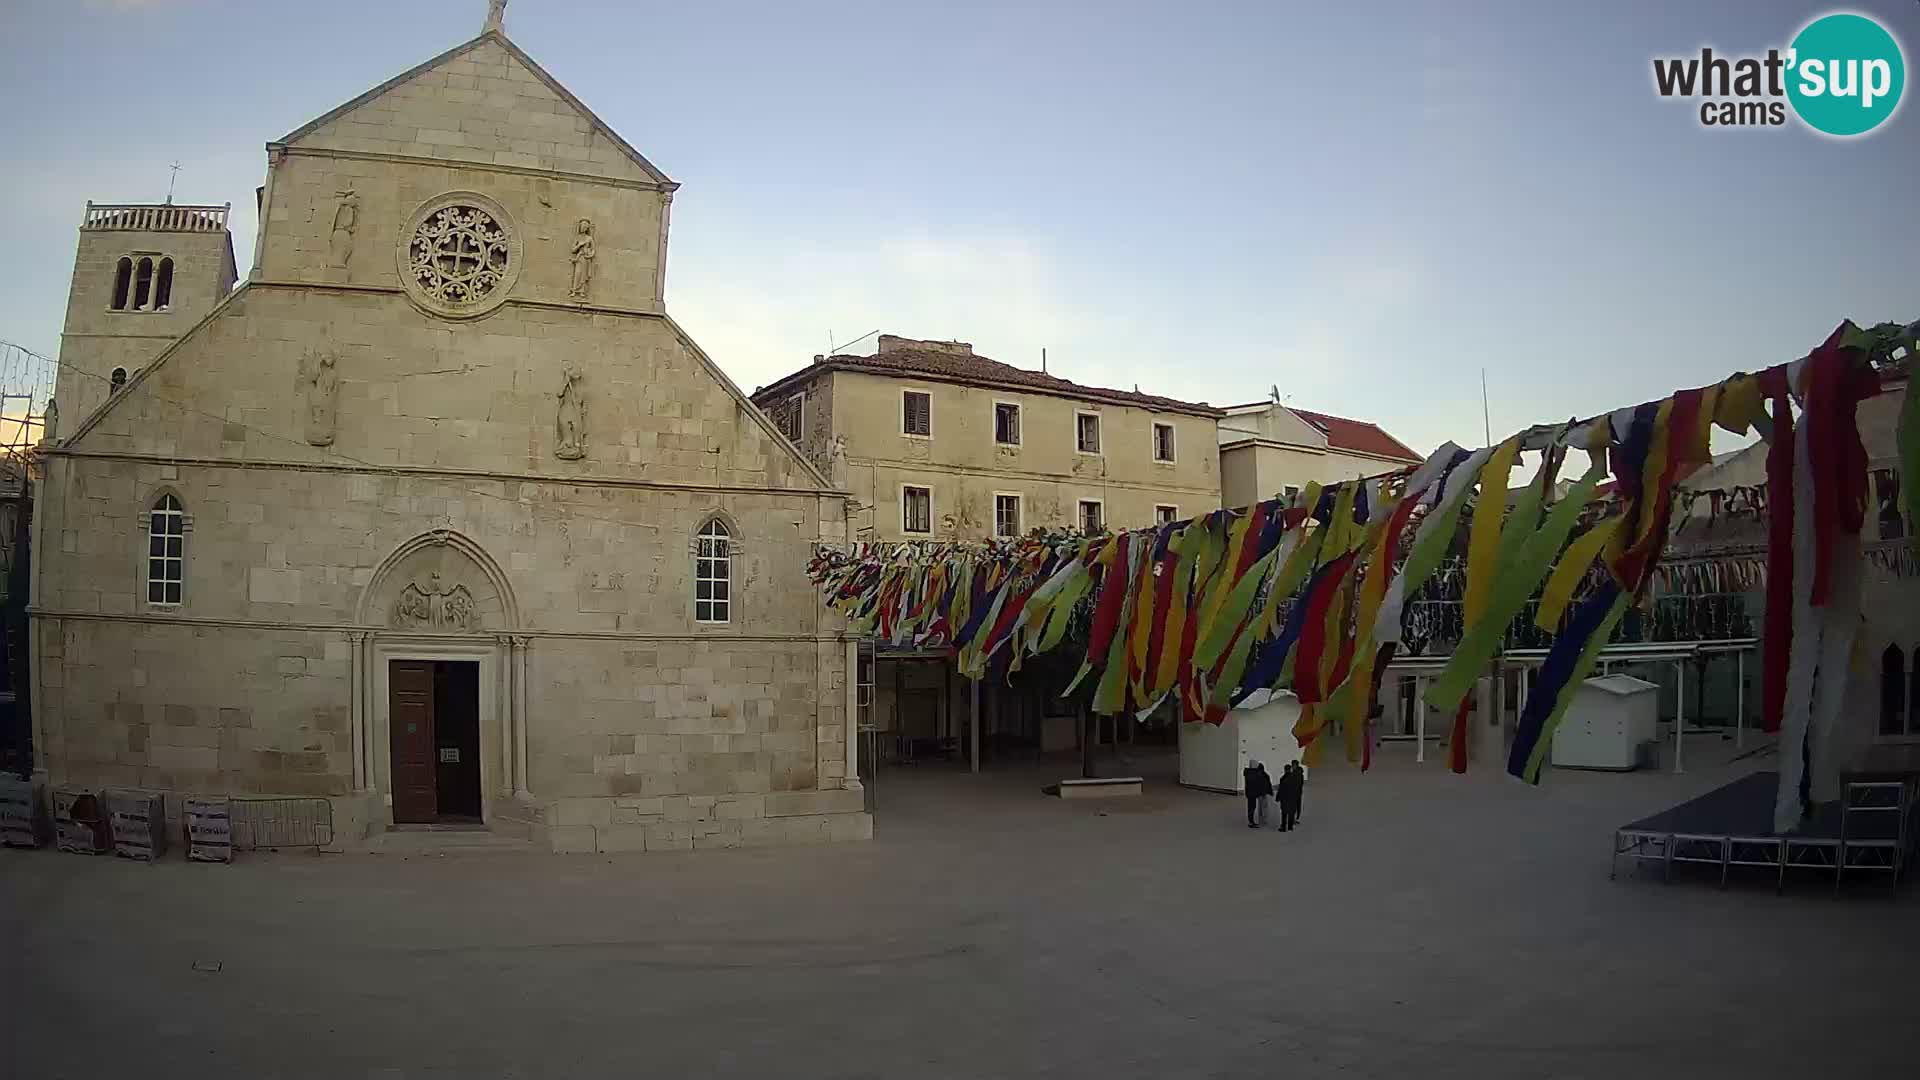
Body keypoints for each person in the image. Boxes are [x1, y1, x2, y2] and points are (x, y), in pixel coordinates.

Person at [1242, 758, 1273, 829]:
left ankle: (1251, 821)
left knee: (1252, 807)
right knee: (1254, 807)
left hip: (1251, 793)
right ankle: (1252, 822)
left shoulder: (1249, 773)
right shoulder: (1254, 774)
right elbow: (1259, 784)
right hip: (1254, 793)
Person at [1277, 761, 1305, 832]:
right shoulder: (1294, 777)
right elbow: (1298, 786)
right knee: (1291, 811)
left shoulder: (1283, 778)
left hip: (1285, 797)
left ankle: (1283, 826)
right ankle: (1290, 826)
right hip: (1293, 796)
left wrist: (1278, 797)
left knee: (1284, 812)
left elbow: (1281, 789)